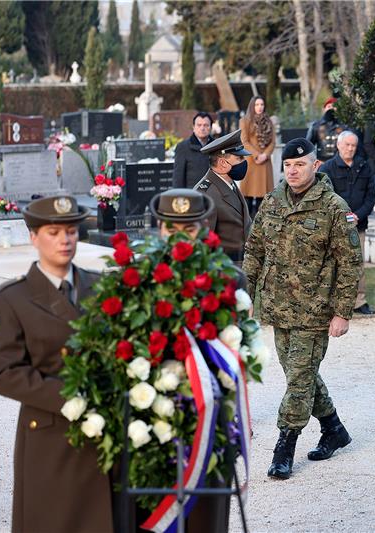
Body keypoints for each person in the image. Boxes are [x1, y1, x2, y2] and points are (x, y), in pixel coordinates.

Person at [0, 195, 115, 532]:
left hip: (103, 427)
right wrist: (69, 398)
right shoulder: (13, 298)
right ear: (34, 237)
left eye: (71, 231)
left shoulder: (100, 286)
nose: (65, 240)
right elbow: (4, 373)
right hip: (49, 432)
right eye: (53, 232)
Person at [243, 138, 362, 480]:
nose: (293, 171)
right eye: (288, 166)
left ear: (315, 165)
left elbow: (349, 263)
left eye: (300, 164)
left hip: (316, 309)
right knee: (303, 374)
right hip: (278, 308)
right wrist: (244, 296)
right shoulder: (272, 201)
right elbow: (254, 252)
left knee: (298, 378)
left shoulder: (333, 207)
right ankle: (333, 427)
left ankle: (285, 445)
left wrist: (342, 312)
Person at [147, 188, 244, 532]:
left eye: (188, 229)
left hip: (211, 413)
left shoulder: (230, 280)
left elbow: (237, 351)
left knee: (206, 511)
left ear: (203, 228)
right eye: (171, 229)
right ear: (159, 229)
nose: (179, 238)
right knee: (152, 504)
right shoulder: (139, 281)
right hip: (152, 414)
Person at [320, 130, 375, 315]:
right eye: (347, 145)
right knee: (333, 264)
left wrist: (357, 215)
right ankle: (333, 302)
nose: (350, 148)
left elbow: (371, 197)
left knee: (357, 263)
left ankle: (360, 302)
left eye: (353, 145)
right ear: (338, 145)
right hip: (335, 227)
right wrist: (343, 216)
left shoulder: (364, 166)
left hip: (358, 225)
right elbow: (325, 197)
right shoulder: (327, 168)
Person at [194, 130, 252, 263]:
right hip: (224, 269)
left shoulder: (227, 183)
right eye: (239, 158)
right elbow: (202, 245)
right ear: (223, 163)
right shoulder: (205, 195)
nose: (244, 162)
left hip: (241, 265)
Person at [239, 95, 276, 218]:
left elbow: (273, 142)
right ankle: (247, 224)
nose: (259, 107)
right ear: (252, 106)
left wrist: (265, 154)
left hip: (264, 163)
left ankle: (261, 224)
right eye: (257, 104)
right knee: (247, 195)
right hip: (251, 161)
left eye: (262, 104)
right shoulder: (245, 121)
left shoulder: (269, 121)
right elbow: (244, 141)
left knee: (263, 197)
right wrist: (257, 154)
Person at [172, 112, 215, 189]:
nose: (202, 128)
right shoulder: (183, 147)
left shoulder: (216, 146)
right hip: (192, 194)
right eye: (199, 125)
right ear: (193, 127)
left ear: (211, 127)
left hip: (214, 193)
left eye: (206, 125)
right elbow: (178, 177)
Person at [307, 97, 345, 162]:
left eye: (334, 106)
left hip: (339, 162)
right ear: (324, 109)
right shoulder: (316, 126)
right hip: (321, 161)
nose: (331, 108)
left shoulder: (344, 126)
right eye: (329, 106)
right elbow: (308, 145)